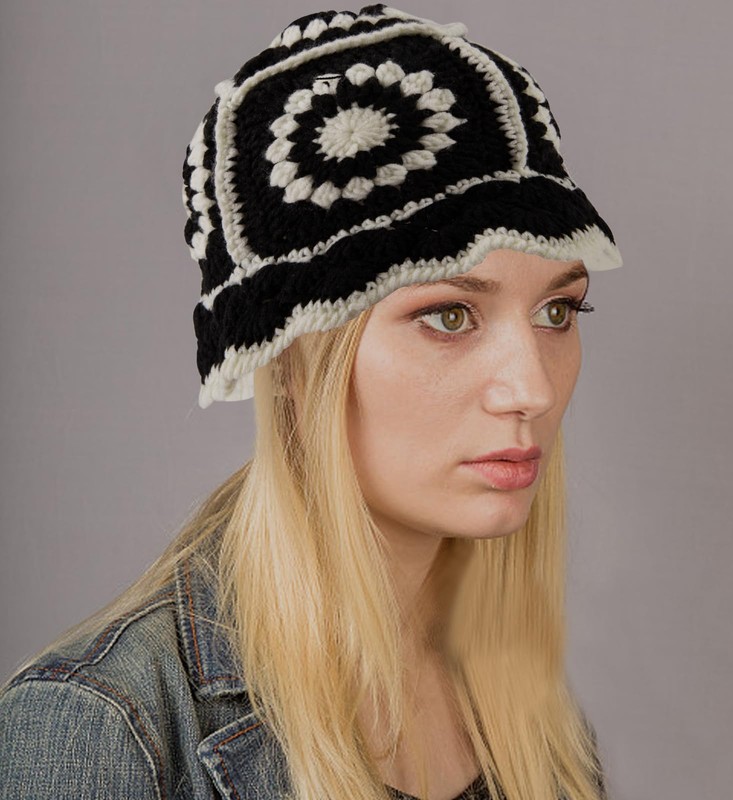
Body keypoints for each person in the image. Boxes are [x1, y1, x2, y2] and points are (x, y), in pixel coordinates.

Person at [0, 5, 622, 799]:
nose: (532, 389)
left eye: (558, 311)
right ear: (291, 358)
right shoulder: (101, 729)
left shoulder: (528, 717)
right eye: (449, 316)